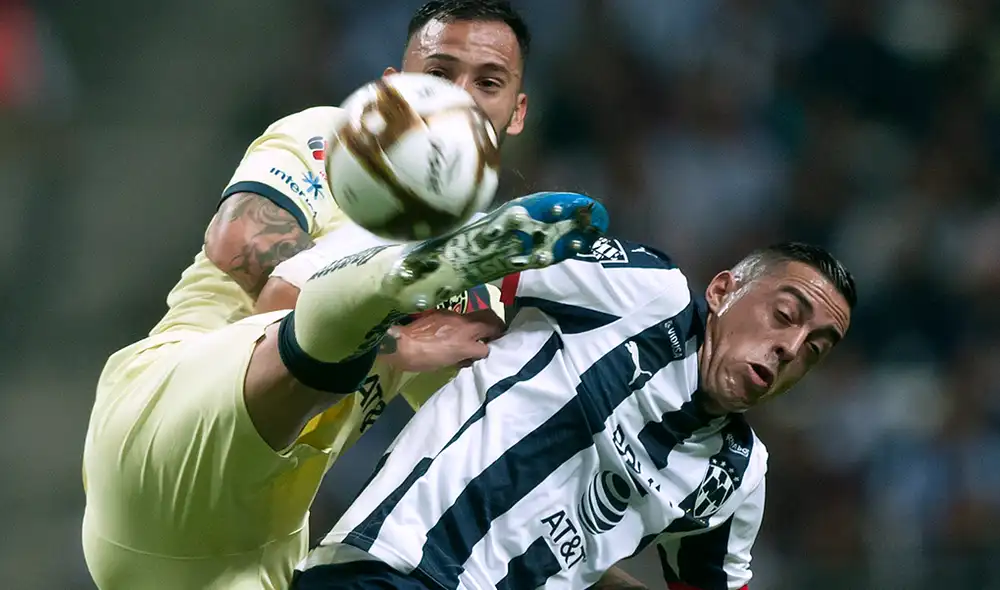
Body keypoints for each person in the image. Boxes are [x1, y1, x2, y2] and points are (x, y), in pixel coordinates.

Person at [81, 2, 562, 589]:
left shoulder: (475, 290)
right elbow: (240, 246)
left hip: (260, 541)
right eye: (437, 76)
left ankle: (388, 276)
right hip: (168, 426)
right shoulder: (331, 137)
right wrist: (393, 344)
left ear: (516, 113)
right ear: (391, 88)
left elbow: (499, 450)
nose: (459, 99)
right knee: (347, 268)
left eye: (487, 83)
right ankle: (386, 271)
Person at [294, 240, 857, 590]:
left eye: (816, 349)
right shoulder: (645, 292)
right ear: (721, 291)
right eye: (785, 314)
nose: (791, 347)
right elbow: (486, 259)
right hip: (392, 568)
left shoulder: (737, 474)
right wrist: (431, 324)